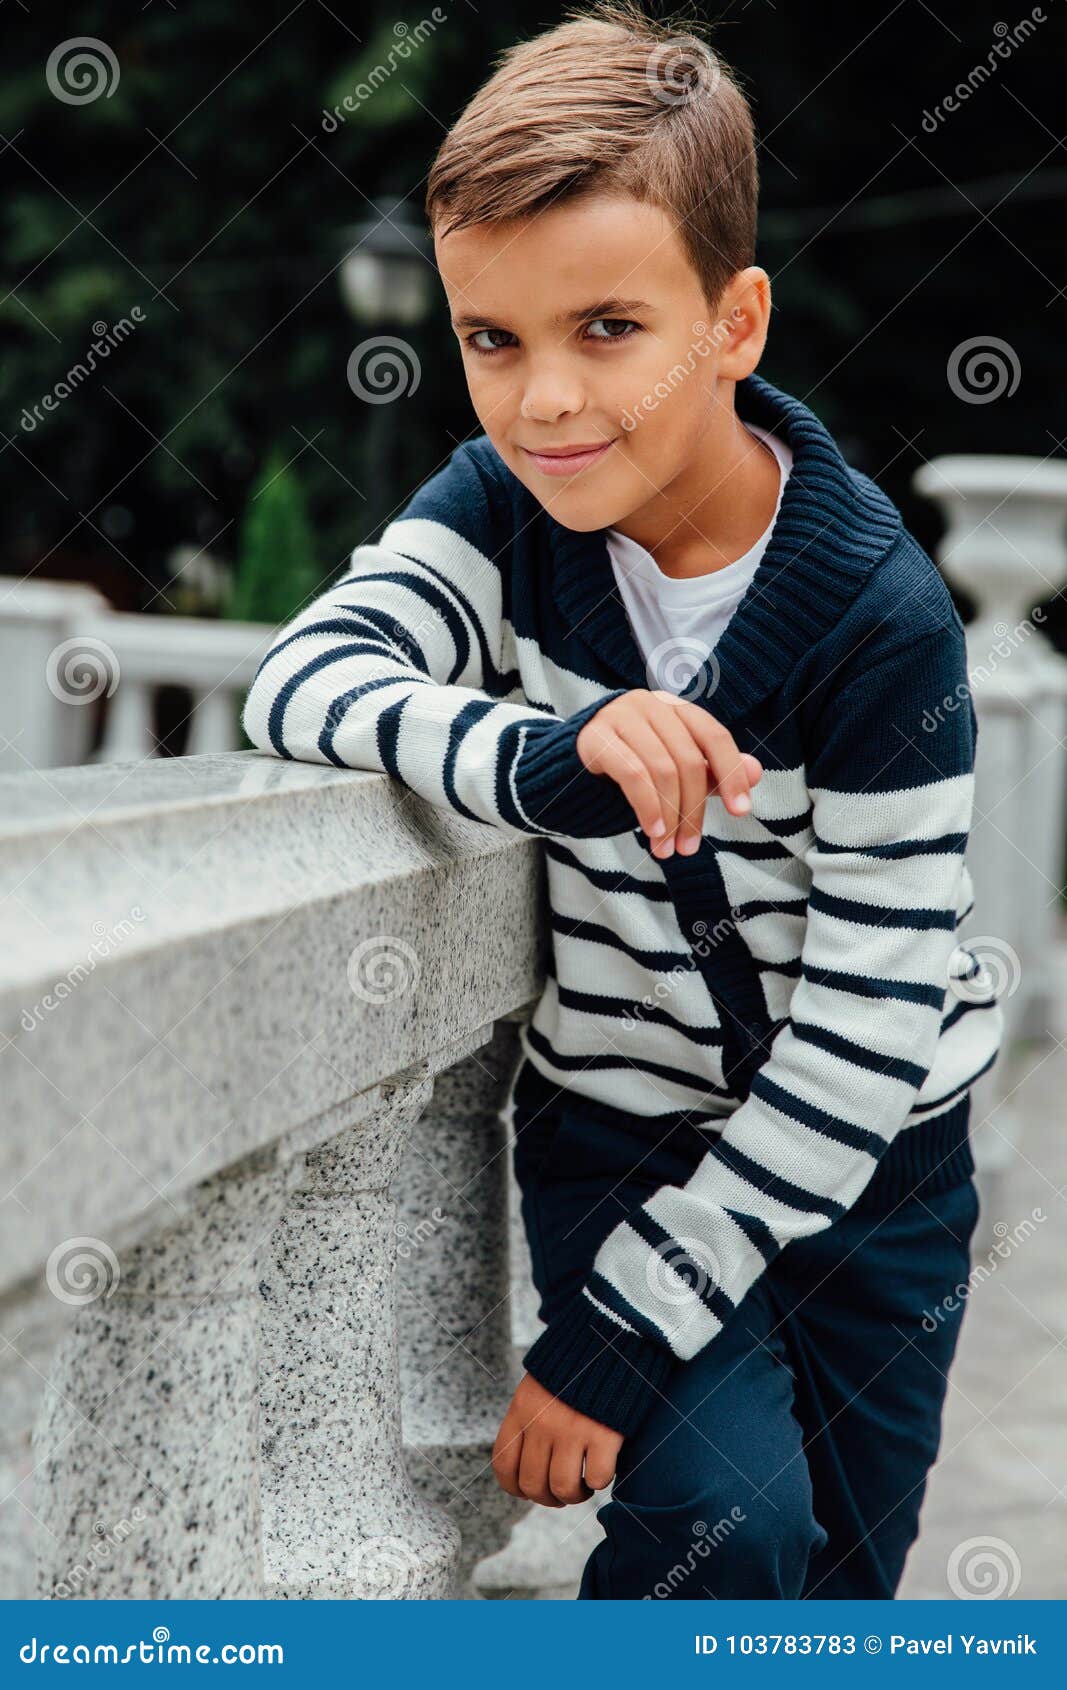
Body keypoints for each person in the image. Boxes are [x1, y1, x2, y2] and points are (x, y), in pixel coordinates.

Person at [241, 0, 1004, 1599]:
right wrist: (541, 756)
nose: (542, 406)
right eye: (489, 339)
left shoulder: (880, 625)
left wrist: (603, 1337)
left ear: (735, 324)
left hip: (876, 1181)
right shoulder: (506, 516)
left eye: (607, 330)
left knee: (839, 1592)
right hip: (624, 1143)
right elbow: (300, 682)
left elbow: (861, 1053)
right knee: (724, 1536)